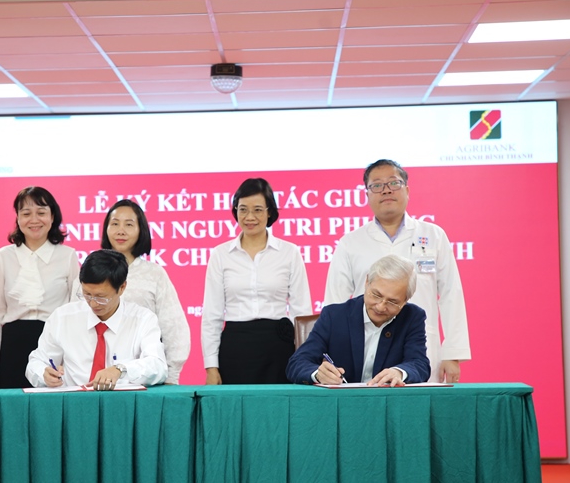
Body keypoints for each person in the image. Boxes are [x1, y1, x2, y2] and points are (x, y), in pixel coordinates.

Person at [323, 159, 470, 383]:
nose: (386, 190)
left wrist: (453, 353)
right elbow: (335, 302)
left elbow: (451, 294)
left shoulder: (433, 235)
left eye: (393, 183)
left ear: (407, 190)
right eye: (377, 185)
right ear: (367, 194)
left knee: (420, 402)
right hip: (366, 348)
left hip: (420, 348)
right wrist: (331, 355)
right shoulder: (350, 242)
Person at [201, 178, 312, 385]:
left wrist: (305, 362)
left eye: (258, 210)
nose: (249, 217)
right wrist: (211, 367)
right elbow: (212, 316)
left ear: (269, 212)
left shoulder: (289, 252)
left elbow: (302, 312)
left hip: (279, 348)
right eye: (243, 209)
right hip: (235, 347)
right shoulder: (220, 254)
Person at [0, 187, 80, 389]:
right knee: (12, 405)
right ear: (17, 218)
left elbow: (76, 309)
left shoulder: (67, 256)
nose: (34, 220)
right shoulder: (3, 256)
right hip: (12, 344)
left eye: (41, 213)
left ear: (52, 217)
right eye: (26, 214)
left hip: (52, 344)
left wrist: (71, 357)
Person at [25, 249, 167, 390]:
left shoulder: (143, 320)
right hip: (74, 399)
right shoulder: (62, 317)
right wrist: (43, 374)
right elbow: (36, 362)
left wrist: (120, 370)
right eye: (87, 294)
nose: (93, 303)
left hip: (122, 400)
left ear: (122, 287)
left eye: (101, 297)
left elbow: (158, 366)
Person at [287, 255, 430, 386]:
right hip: (341, 400)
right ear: (367, 282)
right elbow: (297, 363)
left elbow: (420, 364)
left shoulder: (412, 317)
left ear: (405, 300)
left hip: (388, 400)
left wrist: (399, 372)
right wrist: (318, 374)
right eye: (376, 295)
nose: (380, 307)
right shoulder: (334, 316)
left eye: (392, 302)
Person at [101, 199, 190, 384]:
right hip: (99, 375)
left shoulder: (154, 274)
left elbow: (174, 328)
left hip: (145, 376)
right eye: (115, 224)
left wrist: (171, 376)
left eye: (129, 224)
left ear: (141, 230)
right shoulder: (92, 271)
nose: (120, 231)